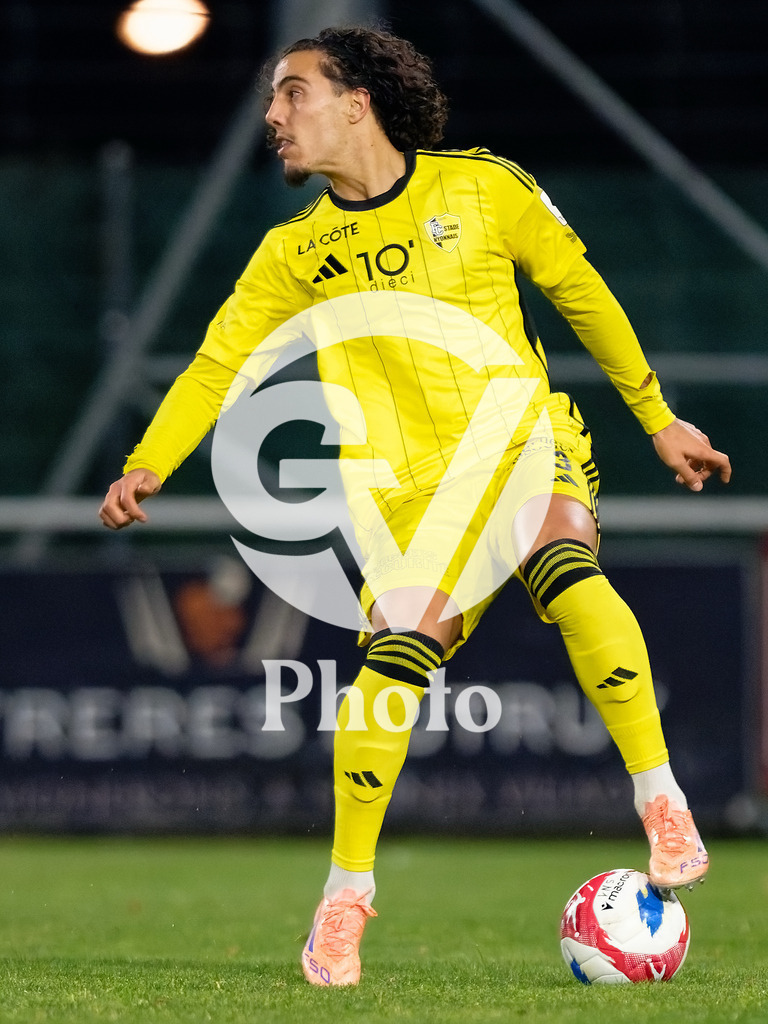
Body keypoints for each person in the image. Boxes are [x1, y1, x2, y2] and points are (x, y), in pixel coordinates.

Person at [99, 26, 731, 988]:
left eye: (292, 94)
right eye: (274, 100)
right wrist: (150, 462)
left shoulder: (483, 187)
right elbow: (219, 362)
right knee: (393, 668)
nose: (274, 116)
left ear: (358, 102)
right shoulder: (295, 251)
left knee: (565, 568)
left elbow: (577, 288)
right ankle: (344, 897)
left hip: (517, 439)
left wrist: (656, 416)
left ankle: (661, 798)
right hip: (403, 494)